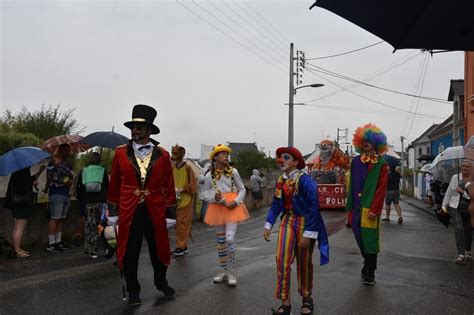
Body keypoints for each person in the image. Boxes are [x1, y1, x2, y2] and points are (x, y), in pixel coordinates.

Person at [108, 104, 177, 306]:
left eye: (139, 127)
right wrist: (113, 211)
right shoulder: (120, 153)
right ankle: (133, 290)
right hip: (129, 208)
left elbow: (168, 186)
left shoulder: (163, 155)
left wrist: (170, 212)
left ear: (149, 129)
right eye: (133, 127)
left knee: (159, 248)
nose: (135, 131)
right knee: (130, 250)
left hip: (155, 208)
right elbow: (114, 185)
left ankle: (161, 282)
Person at [263, 147, 329, 315]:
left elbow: (314, 206)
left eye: (286, 157)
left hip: (306, 222)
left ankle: (307, 298)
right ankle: (286, 303)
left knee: (304, 262)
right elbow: (276, 204)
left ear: (296, 162)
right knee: (281, 260)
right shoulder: (281, 181)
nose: (281, 160)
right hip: (288, 220)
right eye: (280, 157)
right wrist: (269, 224)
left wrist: (308, 234)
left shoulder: (305, 180)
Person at [346, 123, 389, 286]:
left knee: (370, 240)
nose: (366, 143)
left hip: (370, 208)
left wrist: (375, 209)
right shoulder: (356, 161)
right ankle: (367, 264)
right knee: (359, 238)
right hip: (356, 207)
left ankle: (370, 270)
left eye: (368, 141)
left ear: (376, 143)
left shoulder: (382, 164)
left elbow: (381, 189)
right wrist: (349, 206)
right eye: (363, 141)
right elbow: (351, 186)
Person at [202, 144, 249, 287]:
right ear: (215, 157)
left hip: (232, 208)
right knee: (221, 242)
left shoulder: (233, 172)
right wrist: (214, 198)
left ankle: (231, 271)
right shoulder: (209, 175)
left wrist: (236, 201)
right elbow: (204, 193)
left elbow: (242, 189)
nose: (226, 156)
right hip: (217, 209)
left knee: (229, 239)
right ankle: (223, 270)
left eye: (227, 153)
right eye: (222, 154)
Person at [4, 165, 46, 258]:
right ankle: (17, 250)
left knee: (17, 227)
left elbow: (29, 180)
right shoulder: (22, 172)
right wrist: (32, 183)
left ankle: (17, 248)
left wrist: (40, 171)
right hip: (22, 204)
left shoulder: (17, 171)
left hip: (16, 203)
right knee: (20, 228)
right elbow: (24, 186)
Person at [76, 152, 110, 258]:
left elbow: (79, 187)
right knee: (103, 224)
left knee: (90, 226)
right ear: (99, 160)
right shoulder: (103, 171)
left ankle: (90, 249)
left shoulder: (84, 171)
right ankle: (106, 248)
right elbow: (107, 186)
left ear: (89, 160)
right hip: (102, 202)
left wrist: (82, 200)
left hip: (89, 203)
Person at [442, 159, 472, 264]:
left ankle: (467, 250)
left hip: (469, 208)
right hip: (455, 207)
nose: (464, 168)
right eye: (463, 166)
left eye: (467, 166)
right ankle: (461, 254)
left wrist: (463, 192)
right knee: (459, 228)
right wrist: (444, 205)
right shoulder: (455, 177)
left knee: (468, 230)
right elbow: (449, 191)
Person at [44, 145, 74, 252]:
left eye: (69, 150)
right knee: (55, 218)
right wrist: (64, 181)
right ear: (60, 150)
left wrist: (70, 180)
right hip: (56, 192)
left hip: (65, 193)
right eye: (66, 150)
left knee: (61, 218)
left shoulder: (68, 163)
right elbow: (50, 177)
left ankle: (58, 241)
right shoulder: (54, 162)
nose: (68, 152)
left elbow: (71, 176)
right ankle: (51, 243)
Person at [170, 144, 197, 257]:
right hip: (175, 200)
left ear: (181, 154)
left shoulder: (187, 168)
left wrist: (183, 189)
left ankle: (180, 247)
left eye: (175, 154)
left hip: (186, 200)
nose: (173, 156)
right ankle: (183, 246)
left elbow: (193, 186)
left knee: (183, 223)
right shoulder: (173, 168)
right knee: (178, 224)